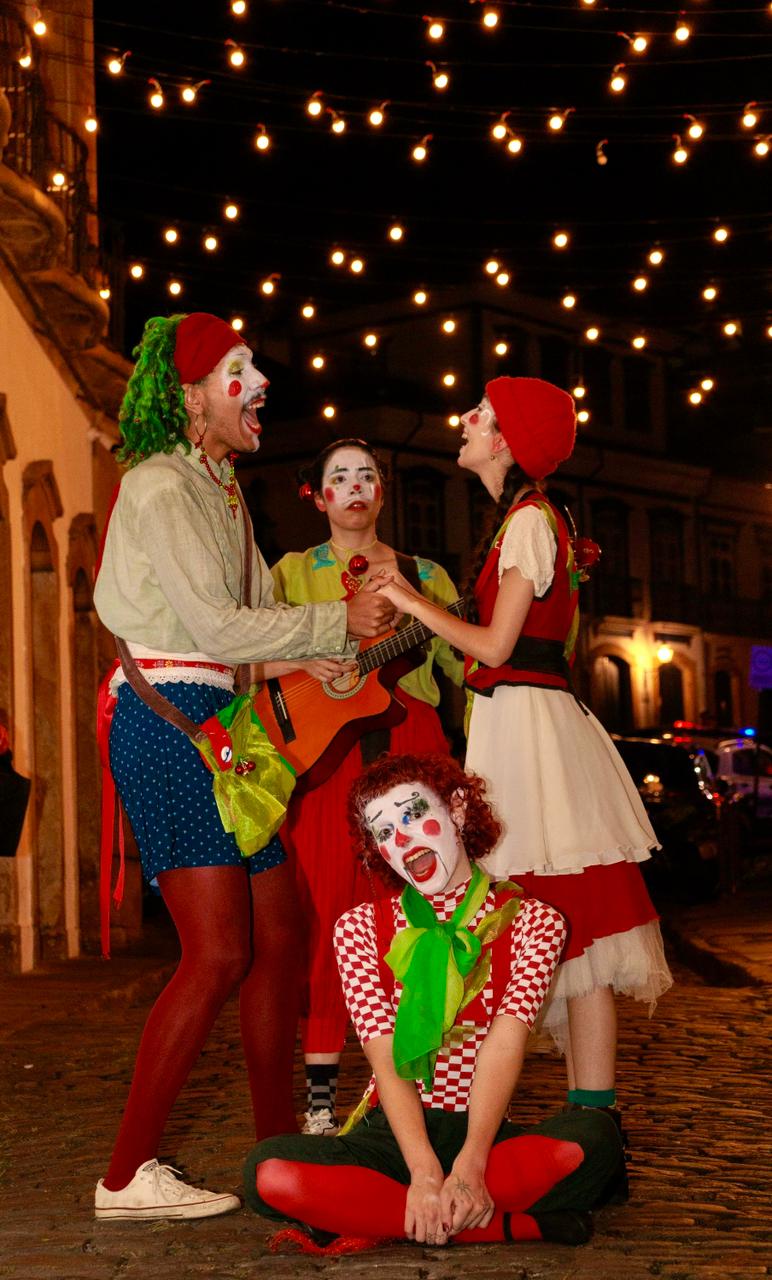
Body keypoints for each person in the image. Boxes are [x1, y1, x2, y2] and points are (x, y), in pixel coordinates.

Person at [92, 313, 395, 1221]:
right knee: (220, 951)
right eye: (238, 370)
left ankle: (280, 1160)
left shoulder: (219, 487)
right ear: (191, 397)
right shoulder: (157, 487)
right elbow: (221, 631)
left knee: (280, 940)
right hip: (165, 721)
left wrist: (321, 656)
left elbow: (254, 629)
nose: (260, 383)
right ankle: (122, 1179)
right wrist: (333, 627)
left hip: (217, 719)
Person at [370, 376, 672, 1120]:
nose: (465, 420)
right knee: (565, 929)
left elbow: (497, 644)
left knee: (571, 925)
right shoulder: (530, 520)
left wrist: (410, 599)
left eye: (482, 413)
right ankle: (580, 1121)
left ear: (507, 440)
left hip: (530, 730)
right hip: (519, 725)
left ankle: (583, 1123)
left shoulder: (531, 522)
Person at [244, 753, 625, 1252]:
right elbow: (386, 1059)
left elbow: (504, 1044)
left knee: (595, 1140)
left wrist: (470, 1163)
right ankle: (507, 1224)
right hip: (395, 1135)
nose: (401, 840)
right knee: (267, 1172)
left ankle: (396, 1212)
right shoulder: (359, 930)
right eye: (383, 832)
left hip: (483, 1133)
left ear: (459, 809)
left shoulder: (533, 921)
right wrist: (424, 1171)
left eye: (411, 814)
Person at [259, 438, 463, 1133]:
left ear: (383, 491)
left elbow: (475, 666)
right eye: (338, 477)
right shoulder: (286, 572)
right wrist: (313, 659)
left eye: (367, 475)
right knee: (325, 917)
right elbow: (248, 651)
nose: (354, 486)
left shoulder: (424, 572)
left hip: (413, 746)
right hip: (323, 759)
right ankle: (320, 1097)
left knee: (421, 912)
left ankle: (416, 1088)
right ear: (316, 495)